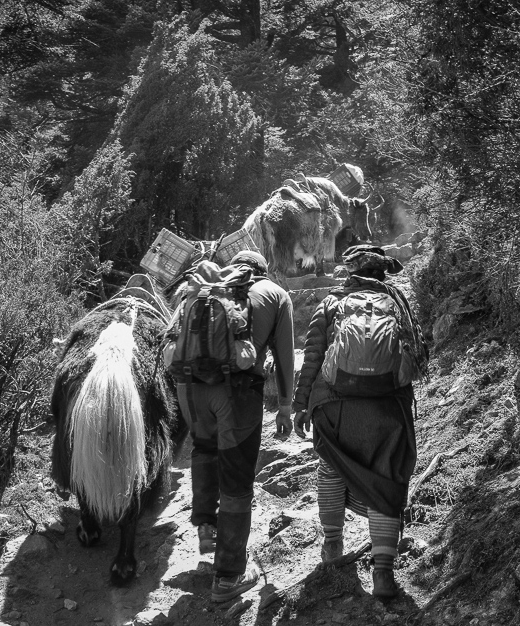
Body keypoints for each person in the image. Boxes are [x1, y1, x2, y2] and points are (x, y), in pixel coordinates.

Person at [292, 244, 427, 599]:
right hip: (387, 410)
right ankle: (382, 574)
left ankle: (332, 545)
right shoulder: (398, 303)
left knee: (331, 468)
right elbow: (418, 358)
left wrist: (301, 404)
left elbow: (313, 356)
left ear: (349, 271)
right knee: (387, 478)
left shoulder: (332, 302)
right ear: (383, 272)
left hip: (335, 408)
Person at [176, 250, 295, 603]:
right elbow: (285, 357)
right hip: (236, 394)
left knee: (204, 449)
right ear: (263, 271)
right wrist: (285, 406)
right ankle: (229, 576)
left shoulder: (207, 290)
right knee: (237, 478)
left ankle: (207, 526)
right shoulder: (275, 294)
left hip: (191, 391)